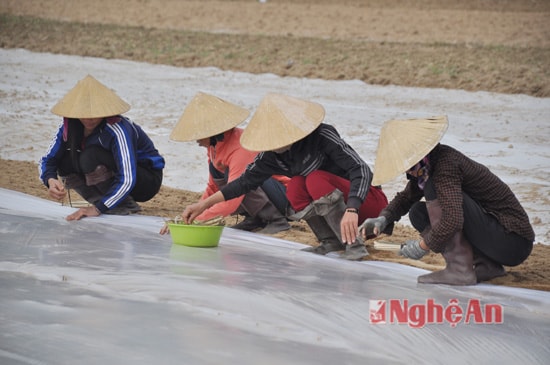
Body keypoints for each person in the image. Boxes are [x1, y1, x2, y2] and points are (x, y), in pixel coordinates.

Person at [181, 93, 389, 260]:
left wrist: (352, 208)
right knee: (296, 186)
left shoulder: (322, 136)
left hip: (366, 205)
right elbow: (243, 183)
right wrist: (202, 206)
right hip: (338, 211)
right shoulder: (272, 155)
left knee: (315, 179)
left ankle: (354, 246)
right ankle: (330, 240)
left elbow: (361, 170)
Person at [360, 115, 535, 285]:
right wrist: (383, 219)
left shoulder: (445, 166)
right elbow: (406, 198)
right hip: (496, 237)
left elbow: (453, 219)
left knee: (433, 188)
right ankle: (486, 265)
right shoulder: (427, 165)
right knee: (418, 213)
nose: (408, 170)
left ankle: (460, 269)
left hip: (512, 240)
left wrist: (423, 245)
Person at [39, 75, 165, 221]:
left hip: (145, 179)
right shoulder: (68, 127)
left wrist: (99, 208)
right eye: (83, 114)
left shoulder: (117, 128)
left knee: (90, 156)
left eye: (95, 114)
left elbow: (128, 177)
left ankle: (119, 204)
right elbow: (48, 160)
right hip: (116, 174)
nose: (88, 119)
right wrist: (50, 179)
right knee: (65, 161)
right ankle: (99, 199)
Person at [164, 92, 290, 234]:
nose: (197, 141)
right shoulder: (214, 147)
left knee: (241, 178)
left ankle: (276, 219)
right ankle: (255, 218)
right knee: (221, 174)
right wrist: (192, 215)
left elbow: (234, 195)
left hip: (283, 198)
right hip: (255, 189)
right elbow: (213, 188)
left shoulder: (240, 147)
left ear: (212, 133)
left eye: (199, 136)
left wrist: (196, 221)